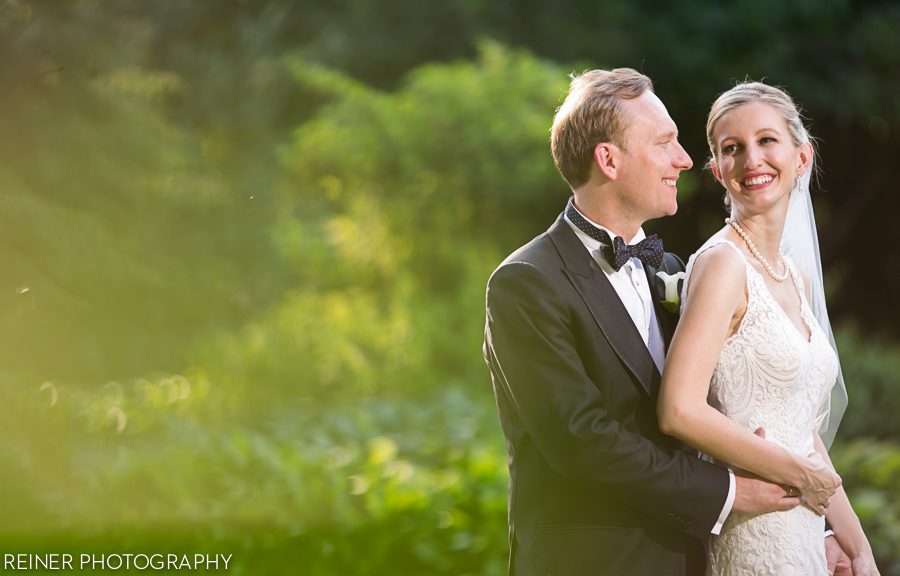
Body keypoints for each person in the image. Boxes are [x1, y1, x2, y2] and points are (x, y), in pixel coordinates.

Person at [482, 68, 799, 576]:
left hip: (697, 560)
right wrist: (731, 491)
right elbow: (583, 441)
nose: (685, 159)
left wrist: (807, 525)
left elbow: (734, 404)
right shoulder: (526, 282)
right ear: (608, 160)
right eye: (665, 142)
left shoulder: (670, 270)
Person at [657, 81, 880, 575]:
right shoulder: (722, 265)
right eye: (731, 149)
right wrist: (800, 476)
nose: (751, 159)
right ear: (718, 171)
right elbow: (678, 409)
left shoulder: (792, 277)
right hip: (754, 532)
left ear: (802, 158)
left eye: (766, 140)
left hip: (802, 528)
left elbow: (803, 431)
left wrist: (858, 548)